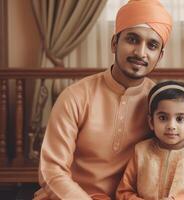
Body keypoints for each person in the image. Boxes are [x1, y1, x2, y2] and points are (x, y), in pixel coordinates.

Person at [33, 0, 172, 199]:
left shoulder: (160, 103)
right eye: (132, 39)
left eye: (152, 45)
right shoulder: (76, 96)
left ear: (159, 56)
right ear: (114, 43)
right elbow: (52, 171)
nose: (141, 53)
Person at [116, 81, 184, 200]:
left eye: (180, 119)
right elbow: (124, 191)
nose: (171, 125)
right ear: (151, 122)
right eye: (163, 118)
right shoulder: (140, 152)